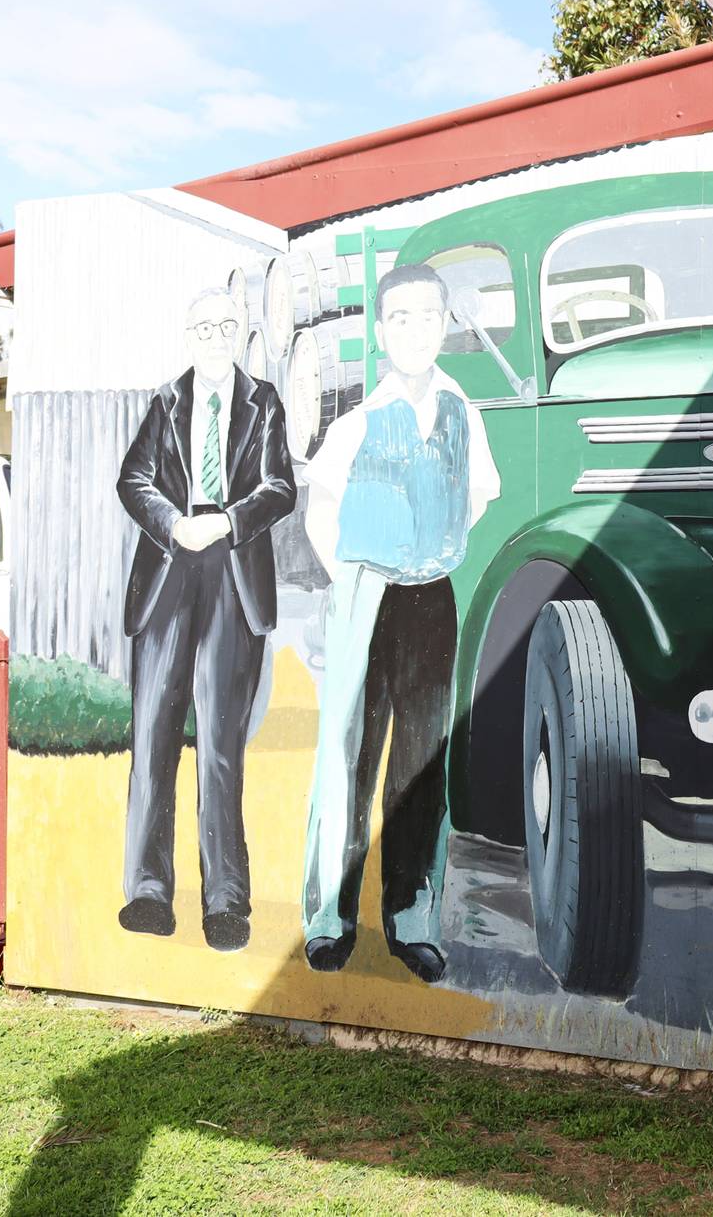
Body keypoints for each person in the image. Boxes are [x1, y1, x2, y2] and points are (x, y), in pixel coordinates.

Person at [299, 263, 500, 983]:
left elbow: (477, 495)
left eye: (428, 316)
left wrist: (431, 551)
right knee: (350, 754)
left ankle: (412, 917)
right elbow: (322, 510)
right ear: (382, 332)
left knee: (420, 761)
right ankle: (330, 916)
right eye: (402, 319)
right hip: (365, 595)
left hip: (431, 597)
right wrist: (357, 574)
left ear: (445, 324)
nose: (416, 330)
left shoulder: (460, 412)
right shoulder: (356, 422)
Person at [116, 287, 296, 951]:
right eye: (203, 326)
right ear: (188, 336)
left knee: (220, 740)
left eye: (226, 324)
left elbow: (280, 486)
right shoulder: (167, 401)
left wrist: (226, 520)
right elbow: (133, 479)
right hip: (168, 570)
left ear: (243, 331)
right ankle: (147, 890)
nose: (215, 334)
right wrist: (172, 523)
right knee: (154, 732)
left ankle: (225, 899)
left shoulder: (264, 401)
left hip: (233, 569)